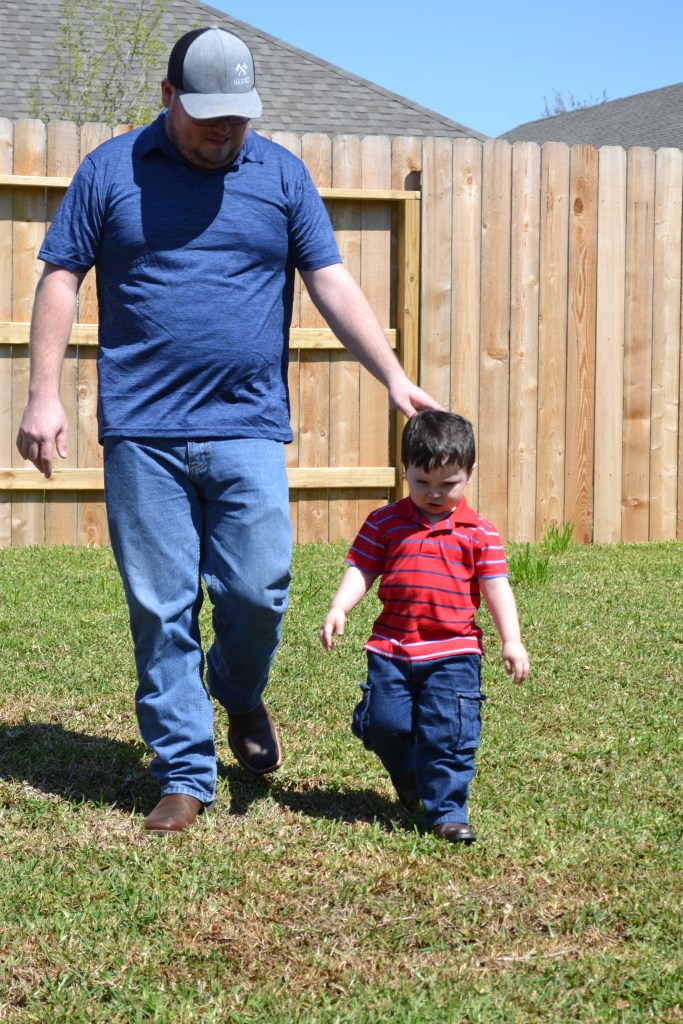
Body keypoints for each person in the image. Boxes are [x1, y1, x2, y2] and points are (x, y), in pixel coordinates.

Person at [15, 26, 439, 834]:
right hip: (142, 427)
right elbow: (61, 274)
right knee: (160, 604)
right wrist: (44, 394)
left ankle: (239, 694)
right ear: (167, 97)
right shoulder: (111, 170)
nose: (224, 132)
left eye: (237, 117)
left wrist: (389, 372)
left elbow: (329, 280)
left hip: (246, 424)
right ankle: (183, 770)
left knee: (257, 588)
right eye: (208, 115)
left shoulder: (279, 173)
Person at [320, 411, 529, 844]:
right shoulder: (384, 522)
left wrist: (512, 639)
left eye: (447, 484)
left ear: (468, 475)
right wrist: (340, 606)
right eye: (422, 482)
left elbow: (496, 588)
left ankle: (448, 811)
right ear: (405, 473)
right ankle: (405, 766)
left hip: (453, 652)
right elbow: (362, 567)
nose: (434, 494)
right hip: (391, 649)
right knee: (387, 726)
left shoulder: (480, 533)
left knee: (449, 733)